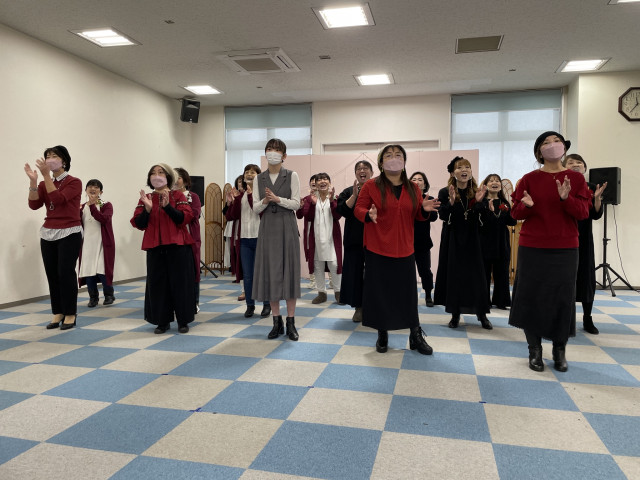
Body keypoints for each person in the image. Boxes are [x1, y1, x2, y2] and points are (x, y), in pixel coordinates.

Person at [509, 131, 590, 372]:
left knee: (562, 299)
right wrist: (527, 206)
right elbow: (515, 214)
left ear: (564, 147)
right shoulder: (528, 179)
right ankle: (534, 350)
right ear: (539, 152)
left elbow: (583, 213)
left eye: (556, 141)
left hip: (565, 247)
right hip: (532, 247)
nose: (552, 145)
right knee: (531, 297)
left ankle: (559, 349)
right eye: (546, 142)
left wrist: (566, 199)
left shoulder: (575, 179)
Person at [354, 144, 440, 355]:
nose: (394, 158)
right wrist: (368, 215)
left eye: (398, 155)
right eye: (389, 155)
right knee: (380, 294)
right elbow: (358, 208)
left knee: (408, 295)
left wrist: (424, 210)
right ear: (381, 162)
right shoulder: (371, 186)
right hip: (377, 248)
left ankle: (415, 335)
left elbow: (417, 215)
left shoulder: (413, 188)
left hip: (405, 248)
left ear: (404, 161)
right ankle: (382, 333)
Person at [131, 163, 195, 334]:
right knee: (157, 285)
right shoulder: (146, 198)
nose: (156, 175)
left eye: (160, 172)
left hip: (178, 246)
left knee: (180, 284)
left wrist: (167, 207)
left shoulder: (177, 195)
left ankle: (183, 320)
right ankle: (162, 321)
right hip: (155, 247)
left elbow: (184, 218)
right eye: (153, 173)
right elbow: (139, 223)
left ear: (168, 176)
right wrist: (147, 210)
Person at [26, 145, 82, 330]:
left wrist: (46, 176)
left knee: (65, 272)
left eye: (54, 156)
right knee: (52, 273)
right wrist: (34, 182)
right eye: (47, 156)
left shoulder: (74, 182)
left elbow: (58, 200)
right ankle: (58, 311)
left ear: (63, 160)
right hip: (48, 232)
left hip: (70, 231)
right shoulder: (44, 183)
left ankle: (70, 313)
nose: (50, 159)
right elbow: (34, 205)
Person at [434, 157, 492, 329]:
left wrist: (480, 203)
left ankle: (482, 314)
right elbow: (442, 215)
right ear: (453, 173)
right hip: (453, 238)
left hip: (474, 239)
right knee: (455, 275)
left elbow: (483, 218)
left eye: (467, 167)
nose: (464, 170)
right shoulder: (445, 192)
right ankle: (455, 314)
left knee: (477, 277)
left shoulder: (477, 191)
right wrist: (451, 202)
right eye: (460, 168)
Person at [252, 139, 301, 340]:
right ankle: (276, 321)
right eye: (269, 149)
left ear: (284, 155)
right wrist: (265, 200)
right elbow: (255, 207)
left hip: (287, 225)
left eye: (277, 150)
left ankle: (291, 322)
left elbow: (297, 204)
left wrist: (278, 199)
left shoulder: (292, 175)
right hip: (268, 227)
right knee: (271, 273)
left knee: (289, 273)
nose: (272, 153)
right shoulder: (259, 178)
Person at [564, 154, 607, 334]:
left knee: (586, 278)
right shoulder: (560, 185)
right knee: (564, 279)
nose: (575, 165)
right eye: (570, 162)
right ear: (564, 167)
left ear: (585, 168)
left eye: (579, 163)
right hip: (564, 238)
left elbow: (596, 215)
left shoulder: (591, 187)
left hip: (584, 240)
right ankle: (564, 318)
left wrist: (597, 199)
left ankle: (587, 318)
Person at [225, 164, 271, 318]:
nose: (249, 174)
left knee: (262, 274)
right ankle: (250, 305)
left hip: (260, 238)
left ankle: (267, 304)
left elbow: (258, 211)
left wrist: (251, 195)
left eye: (253, 172)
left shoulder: (263, 194)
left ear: (259, 176)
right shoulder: (241, 195)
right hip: (244, 240)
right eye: (247, 172)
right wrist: (231, 202)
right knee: (248, 275)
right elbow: (231, 216)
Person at [337, 160, 374, 322]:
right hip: (354, 239)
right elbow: (342, 211)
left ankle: (374, 306)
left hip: (375, 239)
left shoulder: (378, 190)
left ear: (372, 172)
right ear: (355, 174)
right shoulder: (347, 191)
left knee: (375, 274)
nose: (362, 170)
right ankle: (359, 307)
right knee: (355, 274)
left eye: (365, 168)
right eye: (359, 169)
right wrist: (354, 195)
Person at [301, 172, 342, 304]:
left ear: (329, 182)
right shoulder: (310, 198)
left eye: (325, 179)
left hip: (331, 238)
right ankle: (321, 293)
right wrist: (313, 204)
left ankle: (338, 292)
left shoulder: (335, 197)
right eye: (319, 180)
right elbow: (307, 216)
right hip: (316, 239)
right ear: (316, 184)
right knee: (317, 265)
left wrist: (332, 202)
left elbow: (337, 216)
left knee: (334, 265)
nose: (322, 181)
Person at [479, 174, 517, 310]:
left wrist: (514, 208)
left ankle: (501, 301)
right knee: (484, 273)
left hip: (502, 242)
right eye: (491, 181)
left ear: (500, 186)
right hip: (485, 242)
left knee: (502, 272)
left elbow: (512, 222)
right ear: (486, 185)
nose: (494, 183)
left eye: (497, 181)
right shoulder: (481, 202)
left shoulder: (504, 203)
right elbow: (479, 222)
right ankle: (483, 301)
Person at [78, 179, 115, 307]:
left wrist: (93, 206)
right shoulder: (81, 207)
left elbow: (104, 219)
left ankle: (109, 295)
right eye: (90, 186)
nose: (93, 189)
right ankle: (93, 297)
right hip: (87, 244)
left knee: (102, 270)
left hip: (103, 244)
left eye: (96, 187)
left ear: (101, 192)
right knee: (88, 271)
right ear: (86, 190)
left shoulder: (106, 205)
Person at [174, 167, 202, 313]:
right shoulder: (168, 196)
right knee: (176, 273)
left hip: (191, 239)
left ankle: (194, 302)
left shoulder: (193, 197)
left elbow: (194, 214)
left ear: (185, 181)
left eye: (178, 177)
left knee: (193, 271)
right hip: (174, 239)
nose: (175, 180)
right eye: (173, 177)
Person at [409, 171, 438, 307]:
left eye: (420, 179)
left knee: (425, 271)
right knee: (406, 272)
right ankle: (407, 296)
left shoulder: (429, 198)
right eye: (414, 179)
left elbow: (434, 217)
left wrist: (425, 209)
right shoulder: (405, 198)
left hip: (423, 242)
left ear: (425, 184)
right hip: (406, 242)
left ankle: (428, 295)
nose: (417, 181)